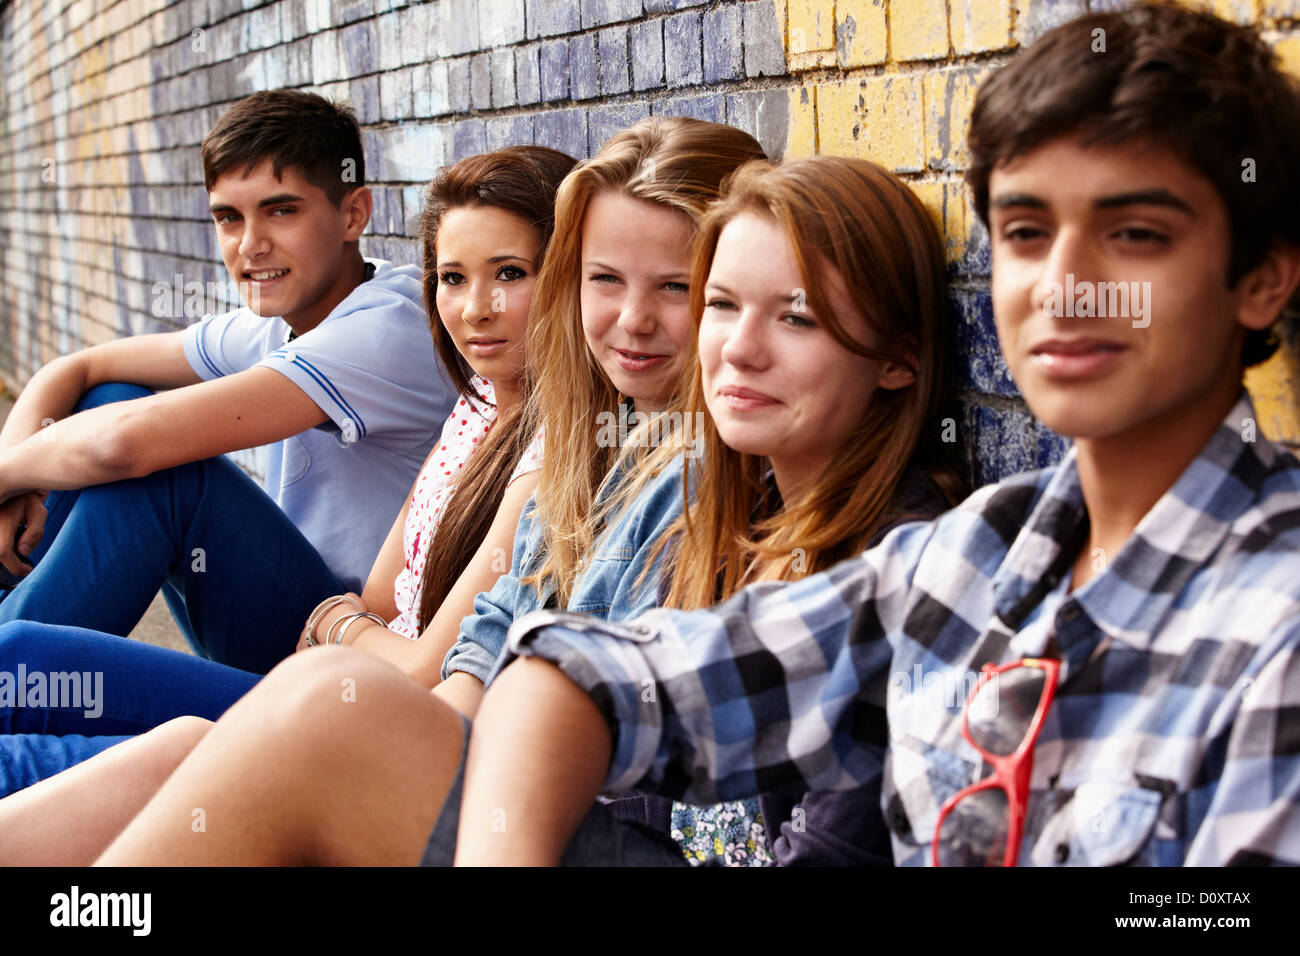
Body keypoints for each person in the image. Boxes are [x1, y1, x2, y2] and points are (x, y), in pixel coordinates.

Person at [443, 2, 1300, 866]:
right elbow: (574, 686)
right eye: (1028, 233)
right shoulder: (973, 560)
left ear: (1261, 281)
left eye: (1136, 235)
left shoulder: (1272, 619)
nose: (1065, 286)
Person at [0, 117, 768, 862]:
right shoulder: (534, 427)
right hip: (379, 693)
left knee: (146, 543)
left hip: (399, 710)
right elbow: (463, 643)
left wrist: (353, 675)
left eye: (678, 286)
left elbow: (127, 448)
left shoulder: (417, 350)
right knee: (106, 698)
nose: (476, 309)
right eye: (605, 279)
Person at [0, 145, 576, 799]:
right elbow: (384, 600)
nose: (476, 307)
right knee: (26, 656)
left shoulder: (545, 449)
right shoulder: (476, 402)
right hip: (336, 666)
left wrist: (334, 625)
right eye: (452, 278)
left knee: (27, 665)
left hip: (374, 727)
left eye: (509, 273)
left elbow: (419, 669)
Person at [0, 89, 456, 672]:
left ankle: (13, 680)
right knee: (111, 399)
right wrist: (16, 482)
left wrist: (10, 472)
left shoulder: (387, 329)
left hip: (348, 651)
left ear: (353, 213)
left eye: (281, 210)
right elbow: (81, 368)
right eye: (228, 218)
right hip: (285, 614)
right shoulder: (279, 321)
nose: (250, 245)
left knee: (164, 475)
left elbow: (126, 444)